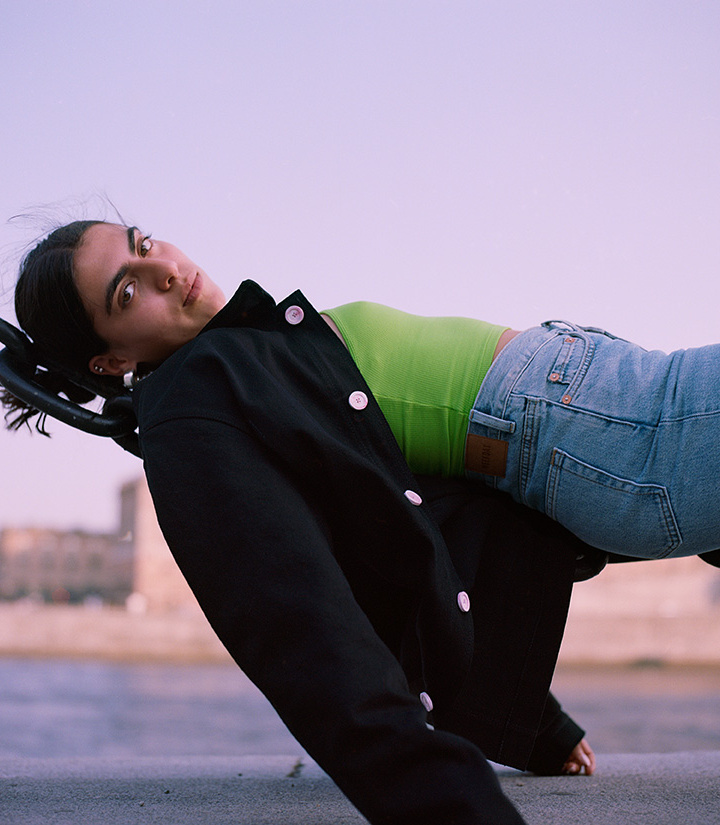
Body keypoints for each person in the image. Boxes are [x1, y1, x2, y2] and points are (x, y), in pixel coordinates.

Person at [3, 219, 614, 824]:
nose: (163, 267)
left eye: (144, 243)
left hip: (576, 429)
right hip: (599, 434)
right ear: (109, 363)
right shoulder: (197, 417)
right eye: (127, 293)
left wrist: (536, 724)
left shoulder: (247, 369)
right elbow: (315, 639)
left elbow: (399, 540)